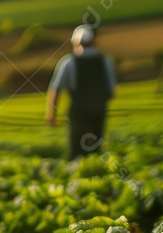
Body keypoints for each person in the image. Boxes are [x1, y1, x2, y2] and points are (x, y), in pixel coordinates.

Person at [46, 25, 117, 160]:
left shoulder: (69, 62)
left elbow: (56, 89)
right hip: (99, 111)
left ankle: (78, 174)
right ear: (94, 42)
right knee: (95, 147)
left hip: (78, 112)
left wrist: (51, 114)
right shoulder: (105, 61)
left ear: (76, 43)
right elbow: (111, 91)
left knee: (77, 148)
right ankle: (95, 174)